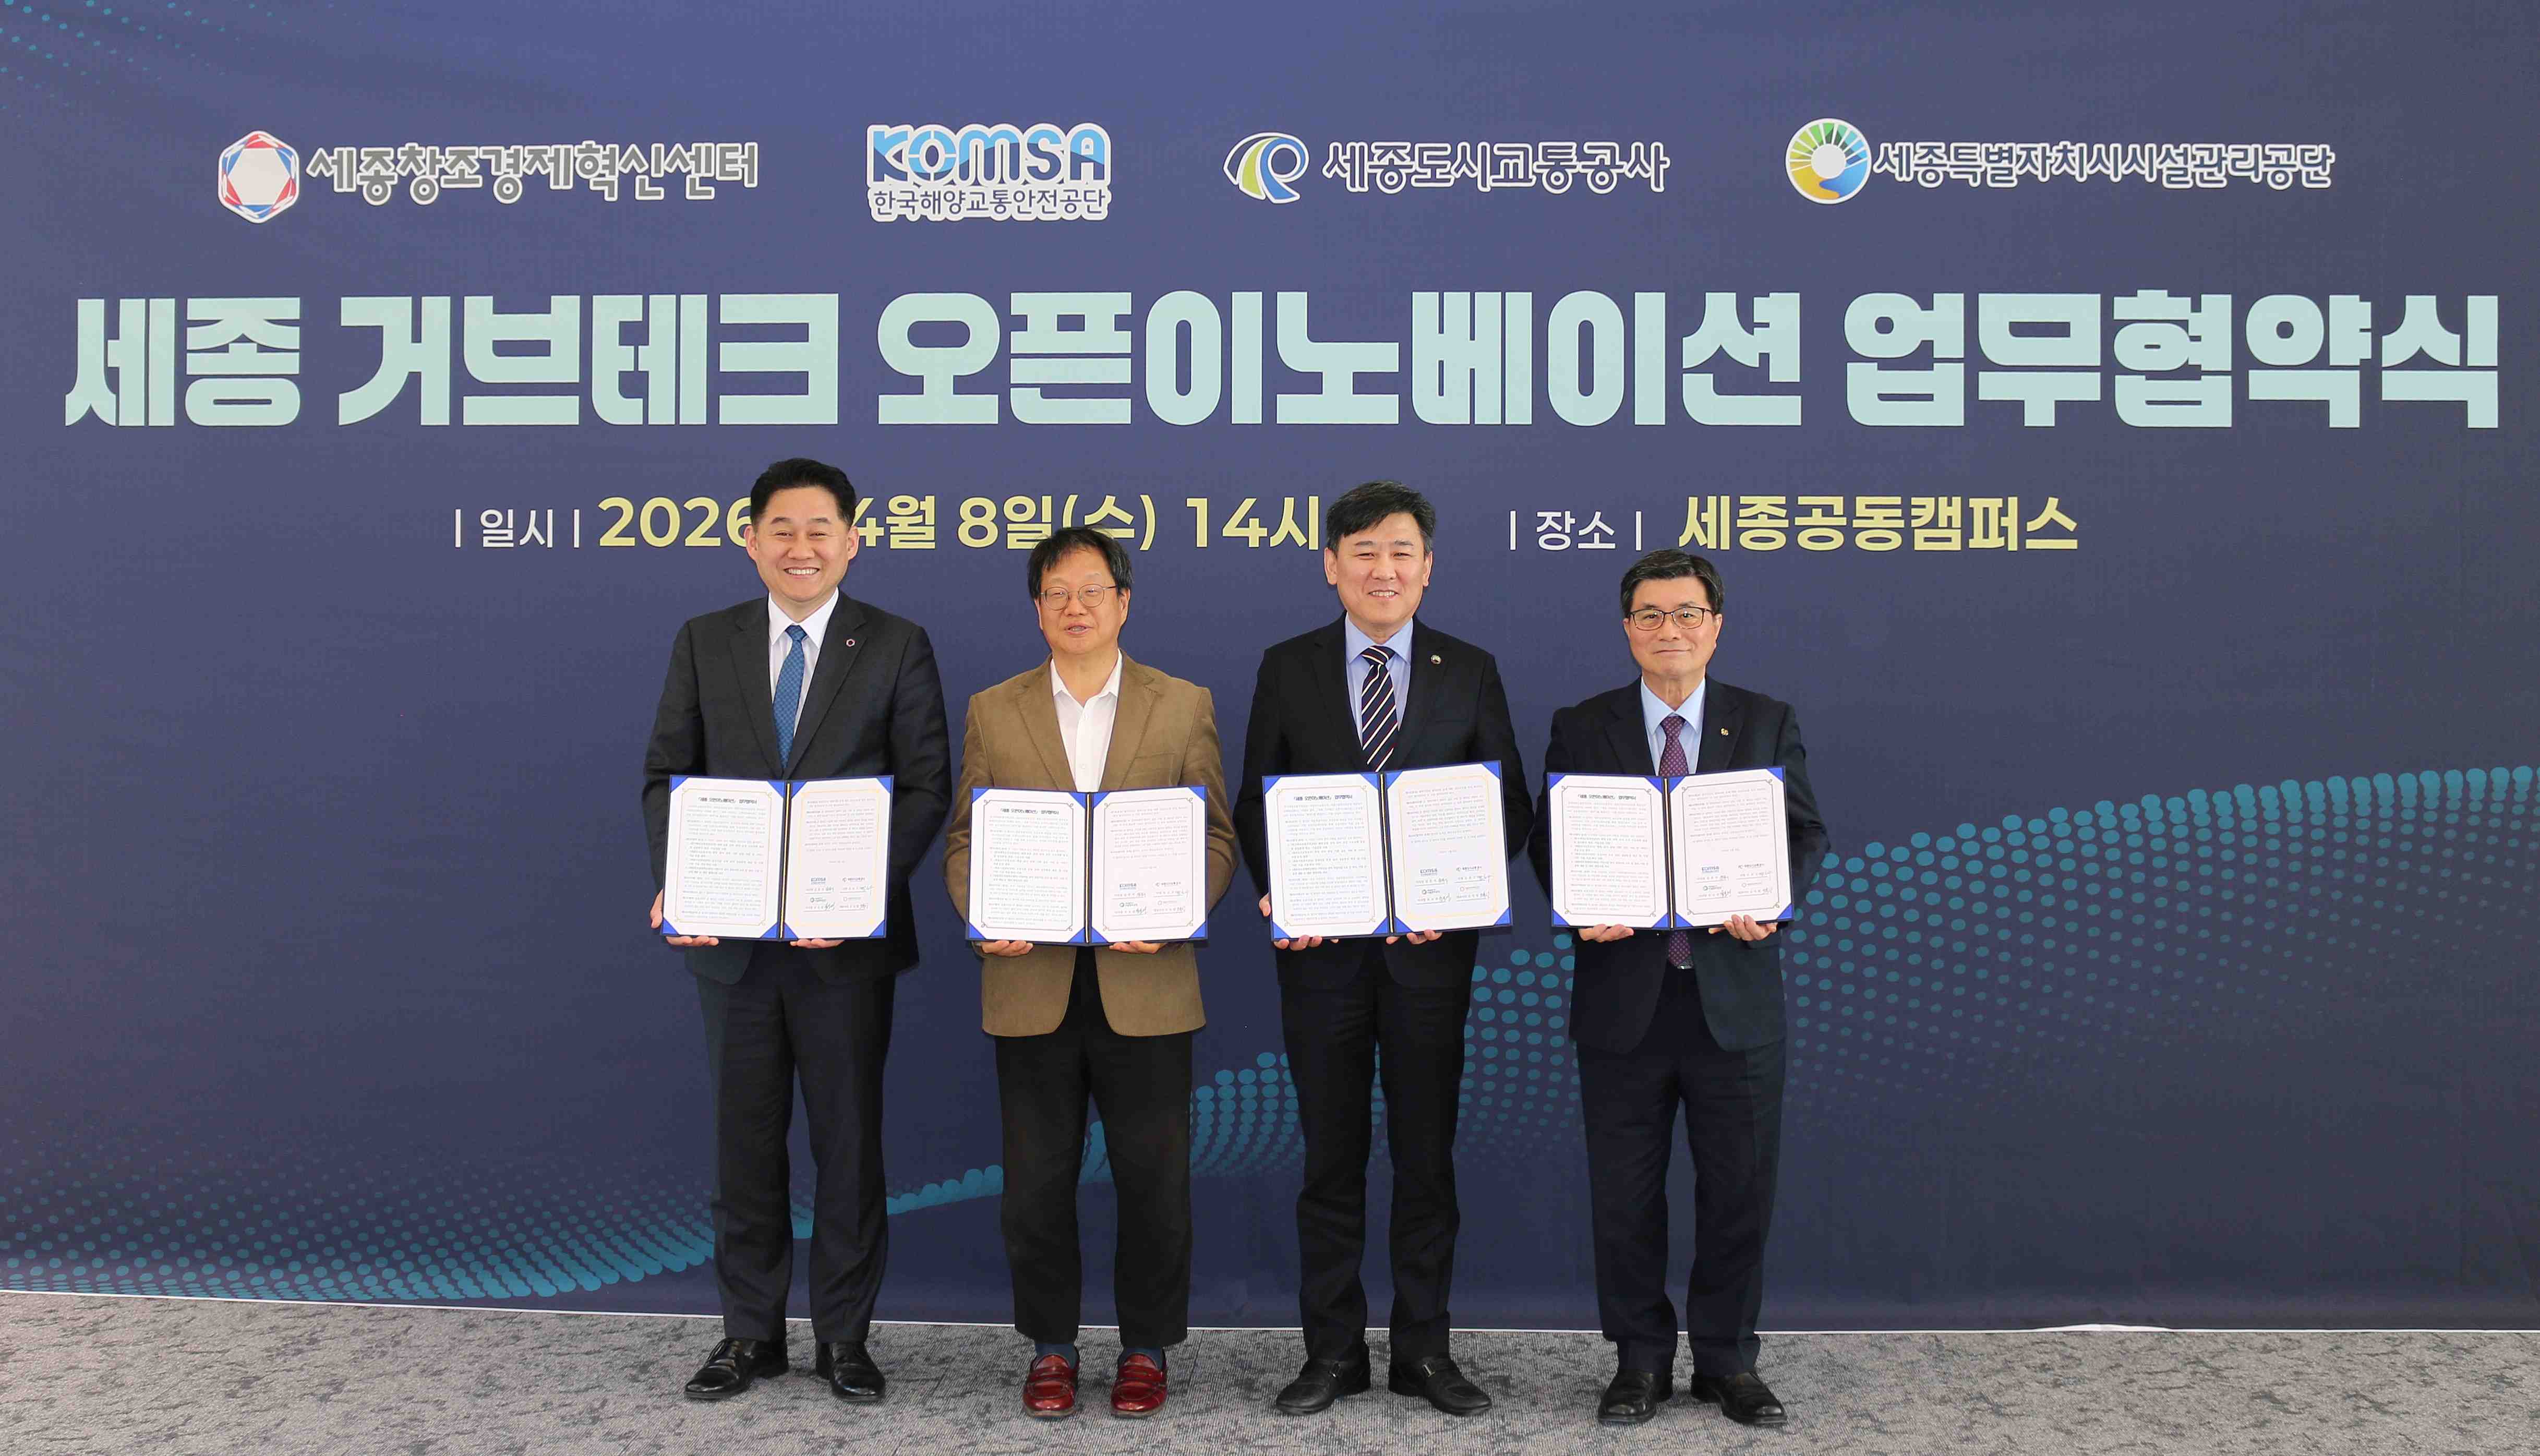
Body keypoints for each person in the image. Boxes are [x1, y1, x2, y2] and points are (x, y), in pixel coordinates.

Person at [641, 458, 950, 1405]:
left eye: (820, 530)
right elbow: (667, 774)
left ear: (852, 542)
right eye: (781, 529)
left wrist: (852, 893)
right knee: (744, 1148)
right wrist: (679, 880)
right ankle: (749, 1335)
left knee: (847, 1149)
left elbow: (926, 785)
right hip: (732, 952)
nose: (800, 547)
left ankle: (844, 1340)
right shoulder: (707, 640)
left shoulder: (895, 643)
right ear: (751, 541)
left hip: (843, 952)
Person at [1232, 480, 1532, 1418]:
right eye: (1362, 552)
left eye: (1401, 552)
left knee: (1423, 1159)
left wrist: (1459, 890)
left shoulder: (1468, 669)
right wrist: (1279, 886)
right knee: (1329, 1159)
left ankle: (1423, 1352)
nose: (1383, 569)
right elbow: (1257, 798)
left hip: (1429, 959)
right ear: (1331, 566)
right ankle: (1331, 1353)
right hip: (1320, 954)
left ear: (1427, 567)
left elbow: (1507, 805)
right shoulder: (1288, 666)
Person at [1525, 549, 1829, 1428]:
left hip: (1733, 999)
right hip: (1624, 998)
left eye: (1687, 613)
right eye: (1650, 615)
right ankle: (1640, 1361)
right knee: (1624, 1198)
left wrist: (1770, 902)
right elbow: (1551, 836)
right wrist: (1578, 904)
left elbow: (1802, 833)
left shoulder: (1764, 720)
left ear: (1716, 626)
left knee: (1739, 1193)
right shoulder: (1583, 724)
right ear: (1627, 629)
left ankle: (1728, 1360)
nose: (1670, 630)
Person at [942, 527, 1238, 1421]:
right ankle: (1052, 1347)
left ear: (1123, 602)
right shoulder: (993, 708)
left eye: (1092, 590)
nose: (1075, 607)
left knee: (1155, 1185)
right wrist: (981, 913)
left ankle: (1147, 1347)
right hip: (1029, 984)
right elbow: (966, 837)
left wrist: (1178, 908)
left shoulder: (1181, 704)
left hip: (1146, 985)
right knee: (1035, 1188)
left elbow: (1215, 836)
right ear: (1037, 609)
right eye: (1057, 593)